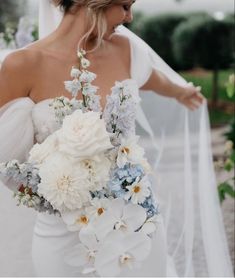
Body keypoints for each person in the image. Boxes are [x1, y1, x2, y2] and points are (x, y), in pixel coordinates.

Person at [0, 0, 232, 277]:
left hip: (133, 226)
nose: (130, 17)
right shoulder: (22, 64)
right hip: (61, 232)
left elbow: (152, 78)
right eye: (124, 5)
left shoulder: (125, 50)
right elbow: (6, 156)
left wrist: (181, 92)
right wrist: (49, 191)